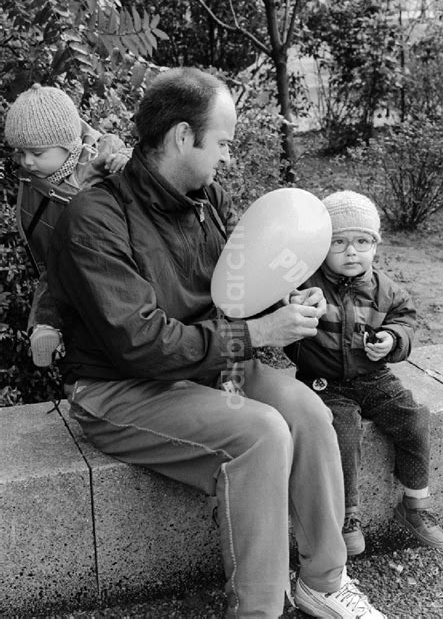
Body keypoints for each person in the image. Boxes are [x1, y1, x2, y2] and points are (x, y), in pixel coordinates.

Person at [46, 68, 385, 618]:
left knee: (308, 412)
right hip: (121, 388)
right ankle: (257, 609)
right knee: (261, 432)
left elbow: (237, 293)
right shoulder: (95, 218)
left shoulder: (208, 199)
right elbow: (140, 345)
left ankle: (323, 580)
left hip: (210, 364)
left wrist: (287, 304)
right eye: (222, 142)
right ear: (183, 136)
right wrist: (256, 334)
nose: (228, 156)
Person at [286, 190, 443, 557]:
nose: (351, 252)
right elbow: (282, 326)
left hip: (374, 377)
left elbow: (405, 321)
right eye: (338, 242)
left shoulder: (385, 289)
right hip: (323, 381)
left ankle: (414, 503)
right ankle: (347, 516)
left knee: (414, 419)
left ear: (375, 244)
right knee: (340, 431)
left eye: (362, 241)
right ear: (320, 245)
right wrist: (294, 316)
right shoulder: (305, 284)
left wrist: (391, 340)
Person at [4, 83, 131, 367]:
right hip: (62, 258)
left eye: (37, 153)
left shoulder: (102, 161)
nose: (27, 161)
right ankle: (47, 330)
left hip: (104, 256)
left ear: (68, 145)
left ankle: (49, 327)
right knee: (57, 277)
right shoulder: (30, 173)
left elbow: (141, 177)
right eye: (21, 152)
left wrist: (128, 163)